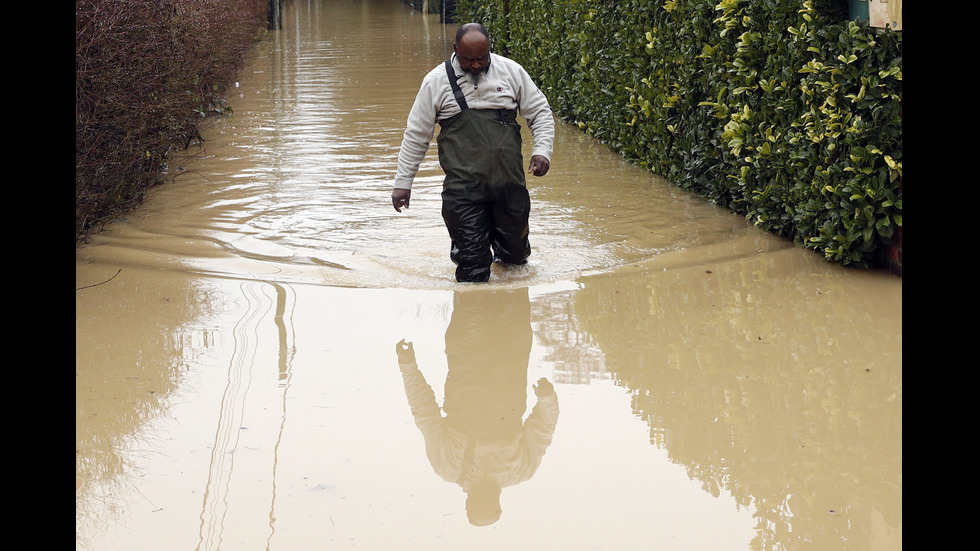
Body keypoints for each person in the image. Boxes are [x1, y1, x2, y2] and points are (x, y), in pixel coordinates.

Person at [391, 22, 555, 282]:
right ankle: (473, 318)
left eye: (483, 58)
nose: (477, 65)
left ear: (490, 50)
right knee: (472, 267)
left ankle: (510, 320)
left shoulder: (512, 71)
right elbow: (416, 136)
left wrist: (542, 151)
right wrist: (403, 183)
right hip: (463, 192)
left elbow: (541, 113)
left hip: (510, 187)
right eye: (469, 60)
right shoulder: (435, 82)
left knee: (516, 262)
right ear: (455, 50)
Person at [395, 288, 559, 526]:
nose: (484, 499)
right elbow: (544, 428)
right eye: (488, 506)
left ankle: (472, 251)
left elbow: (425, 414)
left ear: (467, 504)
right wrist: (547, 398)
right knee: (513, 279)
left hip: (467, 359)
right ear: (499, 505)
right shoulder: (521, 471)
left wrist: (408, 366)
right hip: (511, 359)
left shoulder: (447, 468)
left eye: (478, 505)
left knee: (471, 286)